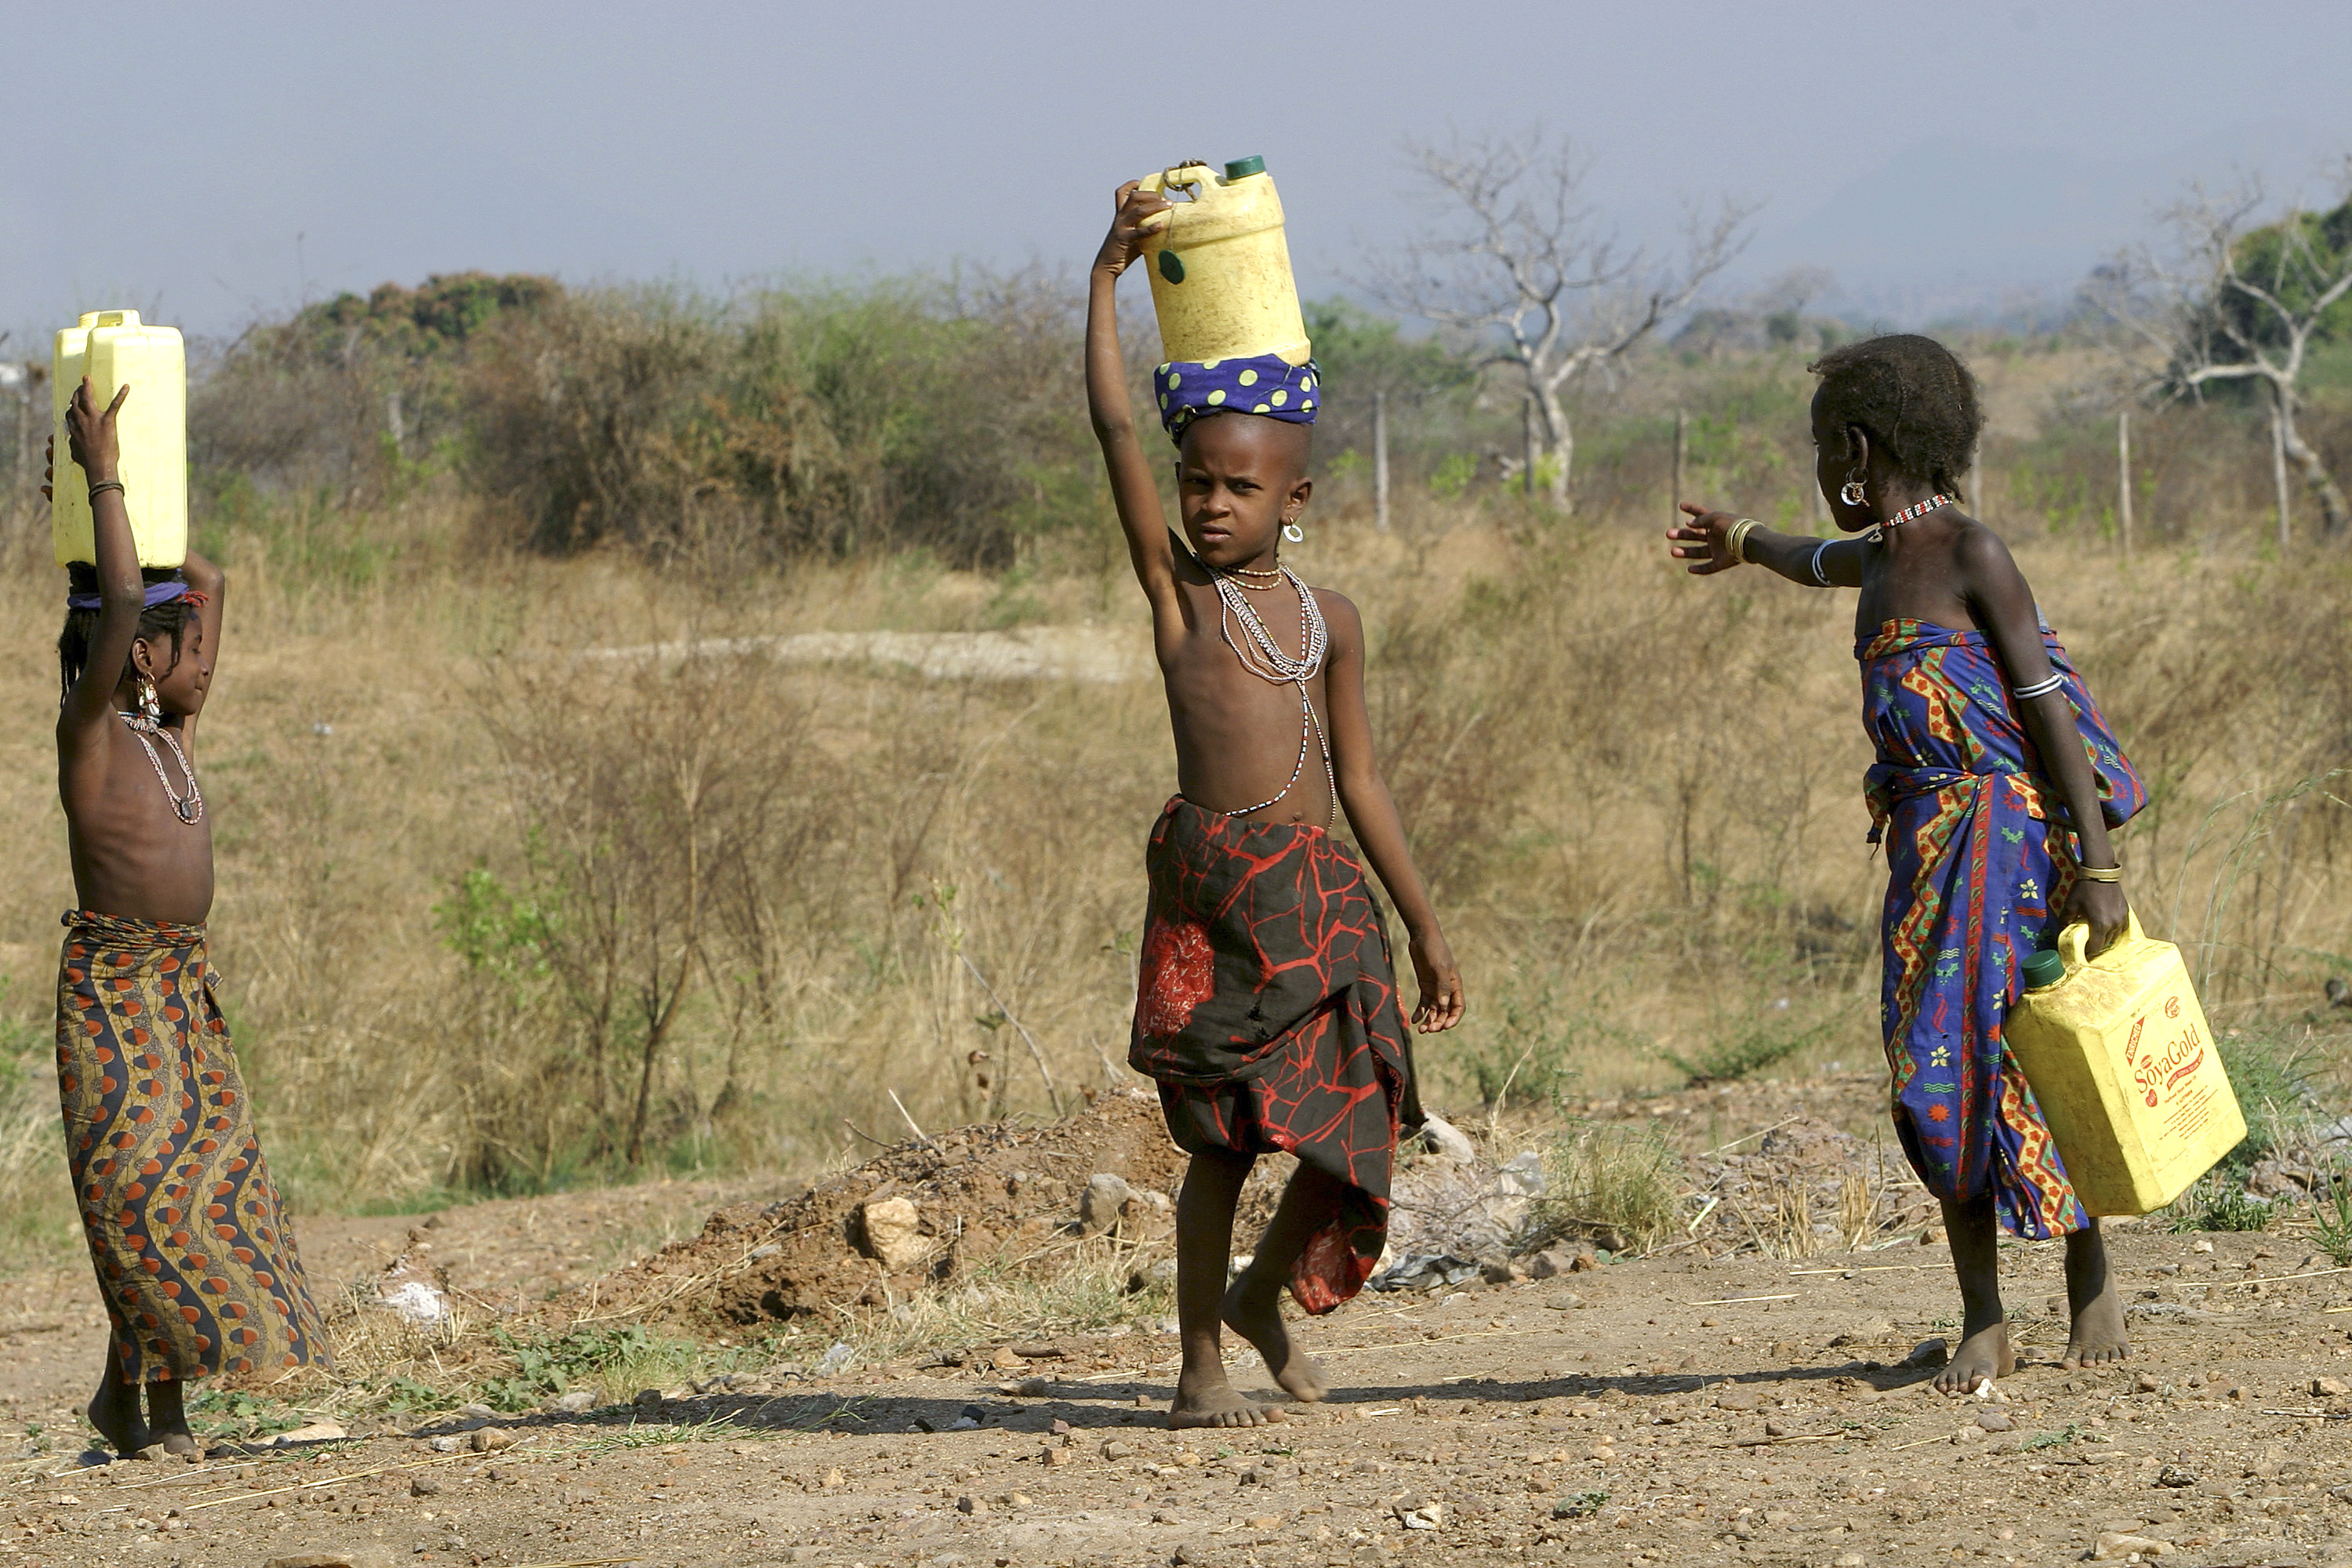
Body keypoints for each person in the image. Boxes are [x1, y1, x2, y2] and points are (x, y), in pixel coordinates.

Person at [1666, 334, 2144, 1395]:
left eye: (1821, 450)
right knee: (1936, 1068)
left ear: (1856, 443)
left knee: (2039, 1057)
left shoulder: (1971, 553)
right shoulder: (1880, 556)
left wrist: (2101, 874)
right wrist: (1743, 540)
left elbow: (2046, 707)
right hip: (1929, 862)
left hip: (2012, 847)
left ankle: (2089, 1275)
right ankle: (1984, 1312)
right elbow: (1808, 558)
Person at [1087, 181, 1466, 1428]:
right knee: (1222, 1146)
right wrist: (1106, 284)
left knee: (1364, 1110)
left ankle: (1261, 1300)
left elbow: (1361, 781)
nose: (1208, 503)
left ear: (1292, 501)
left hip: (1321, 898)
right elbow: (1112, 436)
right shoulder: (1180, 606)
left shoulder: (1329, 620)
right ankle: (1198, 1367)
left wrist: (1424, 924)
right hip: (1219, 896)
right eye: (1198, 482)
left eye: (1238, 488)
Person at [45, 379, 328, 1459]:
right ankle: (145, 1411)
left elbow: (205, 581)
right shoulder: (92, 736)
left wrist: (151, 496)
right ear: (139, 663)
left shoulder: (172, 740)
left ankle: (142, 1402)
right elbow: (127, 607)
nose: (204, 659)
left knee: (199, 1188)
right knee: (140, 1199)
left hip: (179, 986)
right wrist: (102, 472)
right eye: (184, 648)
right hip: (116, 995)